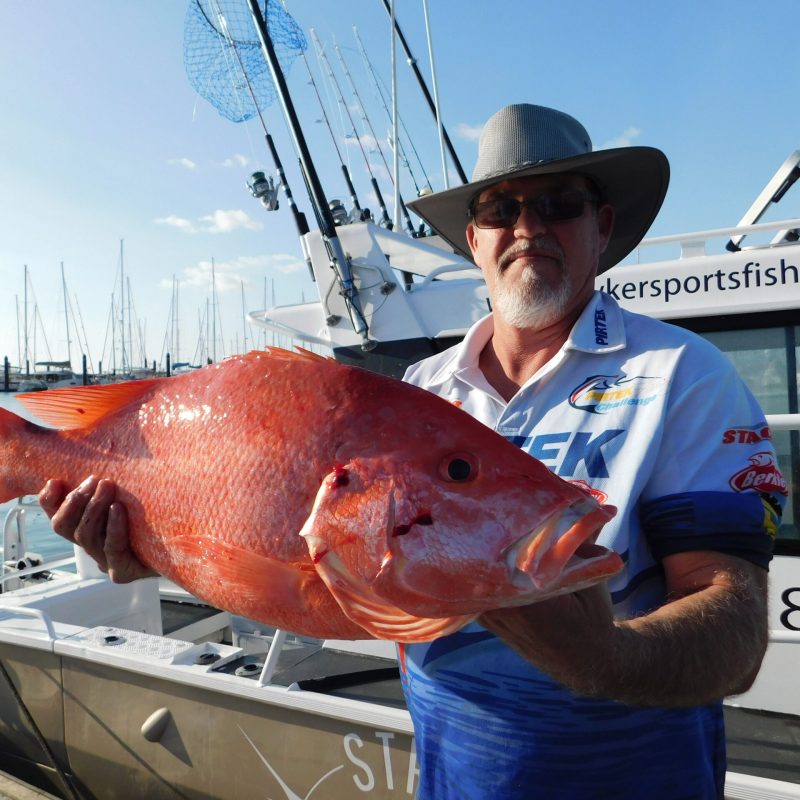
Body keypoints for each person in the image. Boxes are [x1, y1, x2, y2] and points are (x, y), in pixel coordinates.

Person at [40, 104, 784, 800]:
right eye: (501, 209)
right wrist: (158, 544)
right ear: (474, 239)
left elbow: (738, 627)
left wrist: (605, 660)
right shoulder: (425, 387)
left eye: (560, 203)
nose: (528, 228)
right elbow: (298, 569)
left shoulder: (683, 375)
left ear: (602, 225)